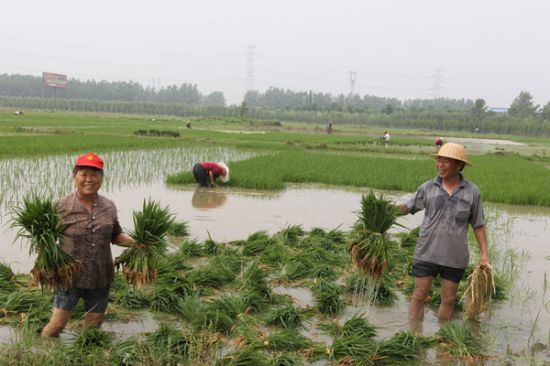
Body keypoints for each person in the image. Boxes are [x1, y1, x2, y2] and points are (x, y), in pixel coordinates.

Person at [41, 153, 134, 337]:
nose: (89, 179)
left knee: (92, 329)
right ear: (74, 176)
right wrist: (45, 262)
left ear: (101, 178)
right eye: (83, 174)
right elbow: (46, 239)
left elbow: (115, 236)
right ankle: (42, 352)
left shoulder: (109, 206)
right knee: (57, 325)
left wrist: (138, 243)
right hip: (69, 277)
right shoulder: (61, 206)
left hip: (100, 276)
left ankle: (85, 356)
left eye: (95, 174)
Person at [400, 143, 489, 322]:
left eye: (446, 161)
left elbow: (478, 224)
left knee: (448, 299)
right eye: (439, 160)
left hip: (454, 256)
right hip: (426, 252)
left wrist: (485, 254)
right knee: (419, 295)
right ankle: (414, 336)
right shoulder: (428, 188)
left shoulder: (472, 192)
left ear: (459, 165)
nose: (440, 164)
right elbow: (408, 207)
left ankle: (443, 340)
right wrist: (384, 209)